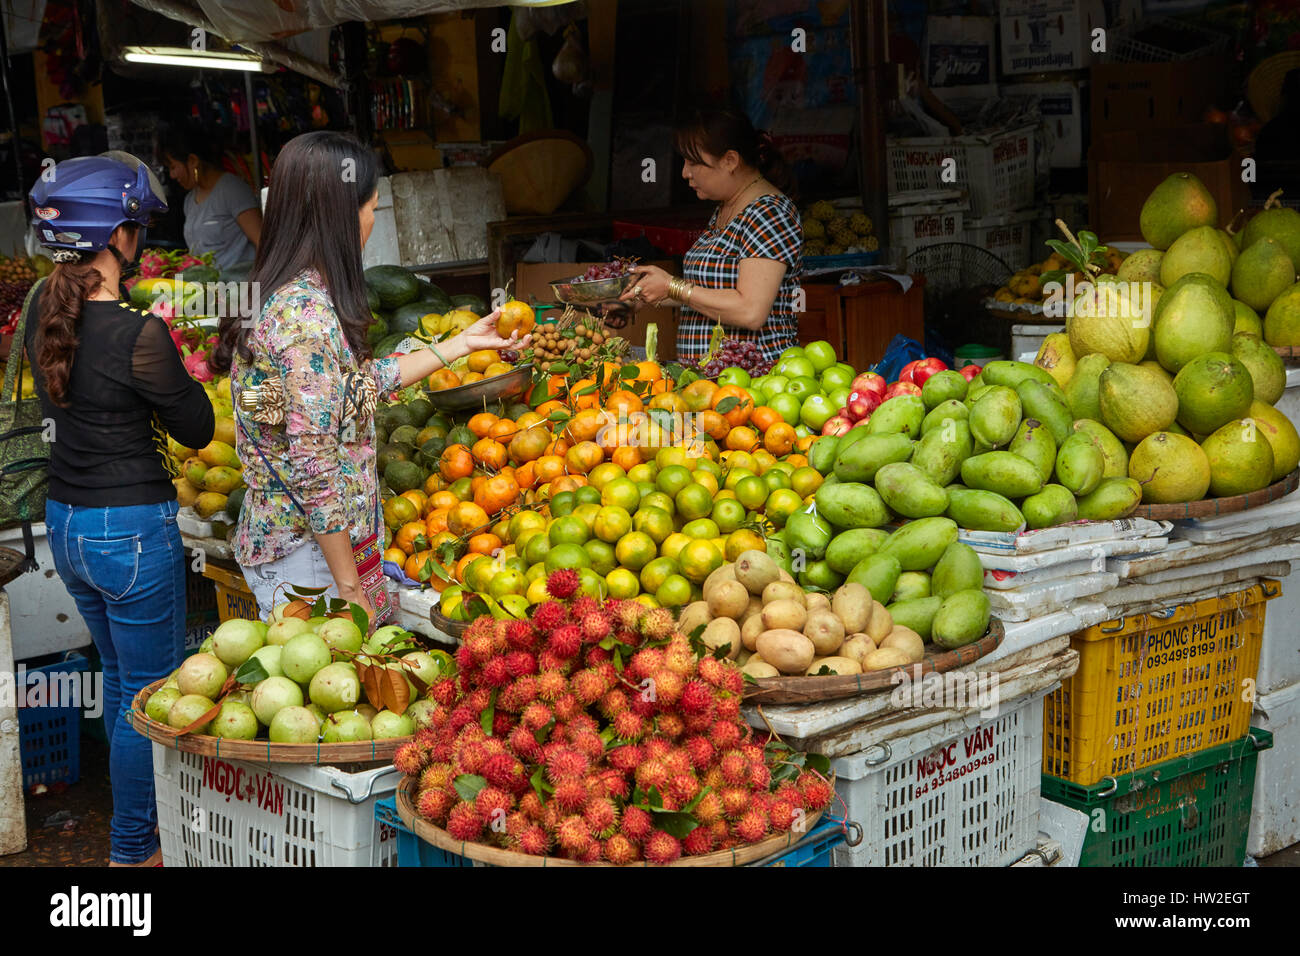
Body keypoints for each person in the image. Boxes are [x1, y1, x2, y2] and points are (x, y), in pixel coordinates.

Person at [209, 131, 527, 619]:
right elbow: (311, 466)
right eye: (370, 210)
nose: (370, 225)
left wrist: (462, 344)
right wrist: (349, 588)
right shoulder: (304, 318)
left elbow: (350, 391)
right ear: (340, 215)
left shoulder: (292, 297)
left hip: (317, 551)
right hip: (312, 562)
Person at [25, 155, 215, 866]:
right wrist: (168, 349)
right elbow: (196, 426)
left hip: (69, 527)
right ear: (115, 236)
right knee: (148, 697)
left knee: (118, 679)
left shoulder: (50, 310)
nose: (140, 237)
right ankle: (135, 852)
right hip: (129, 530)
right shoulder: (140, 334)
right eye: (135, 225)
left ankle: (144, 835)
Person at [620, 108, 803, 365]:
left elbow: (750, 310)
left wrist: (672, 285)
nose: (685, 173)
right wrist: (647, 294)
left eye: (694, 163)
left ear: (730, 160)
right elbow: (710, 293)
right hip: (711, 382)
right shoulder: (725, 207)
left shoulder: (769, 213)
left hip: (753, 381)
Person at [159, 124, 261, 270]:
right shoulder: (189, 201)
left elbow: (262, 242)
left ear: (193, 161)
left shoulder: (232, 190)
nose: (172, 175)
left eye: (173, 167)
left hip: (241, 288)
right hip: (210, 289)